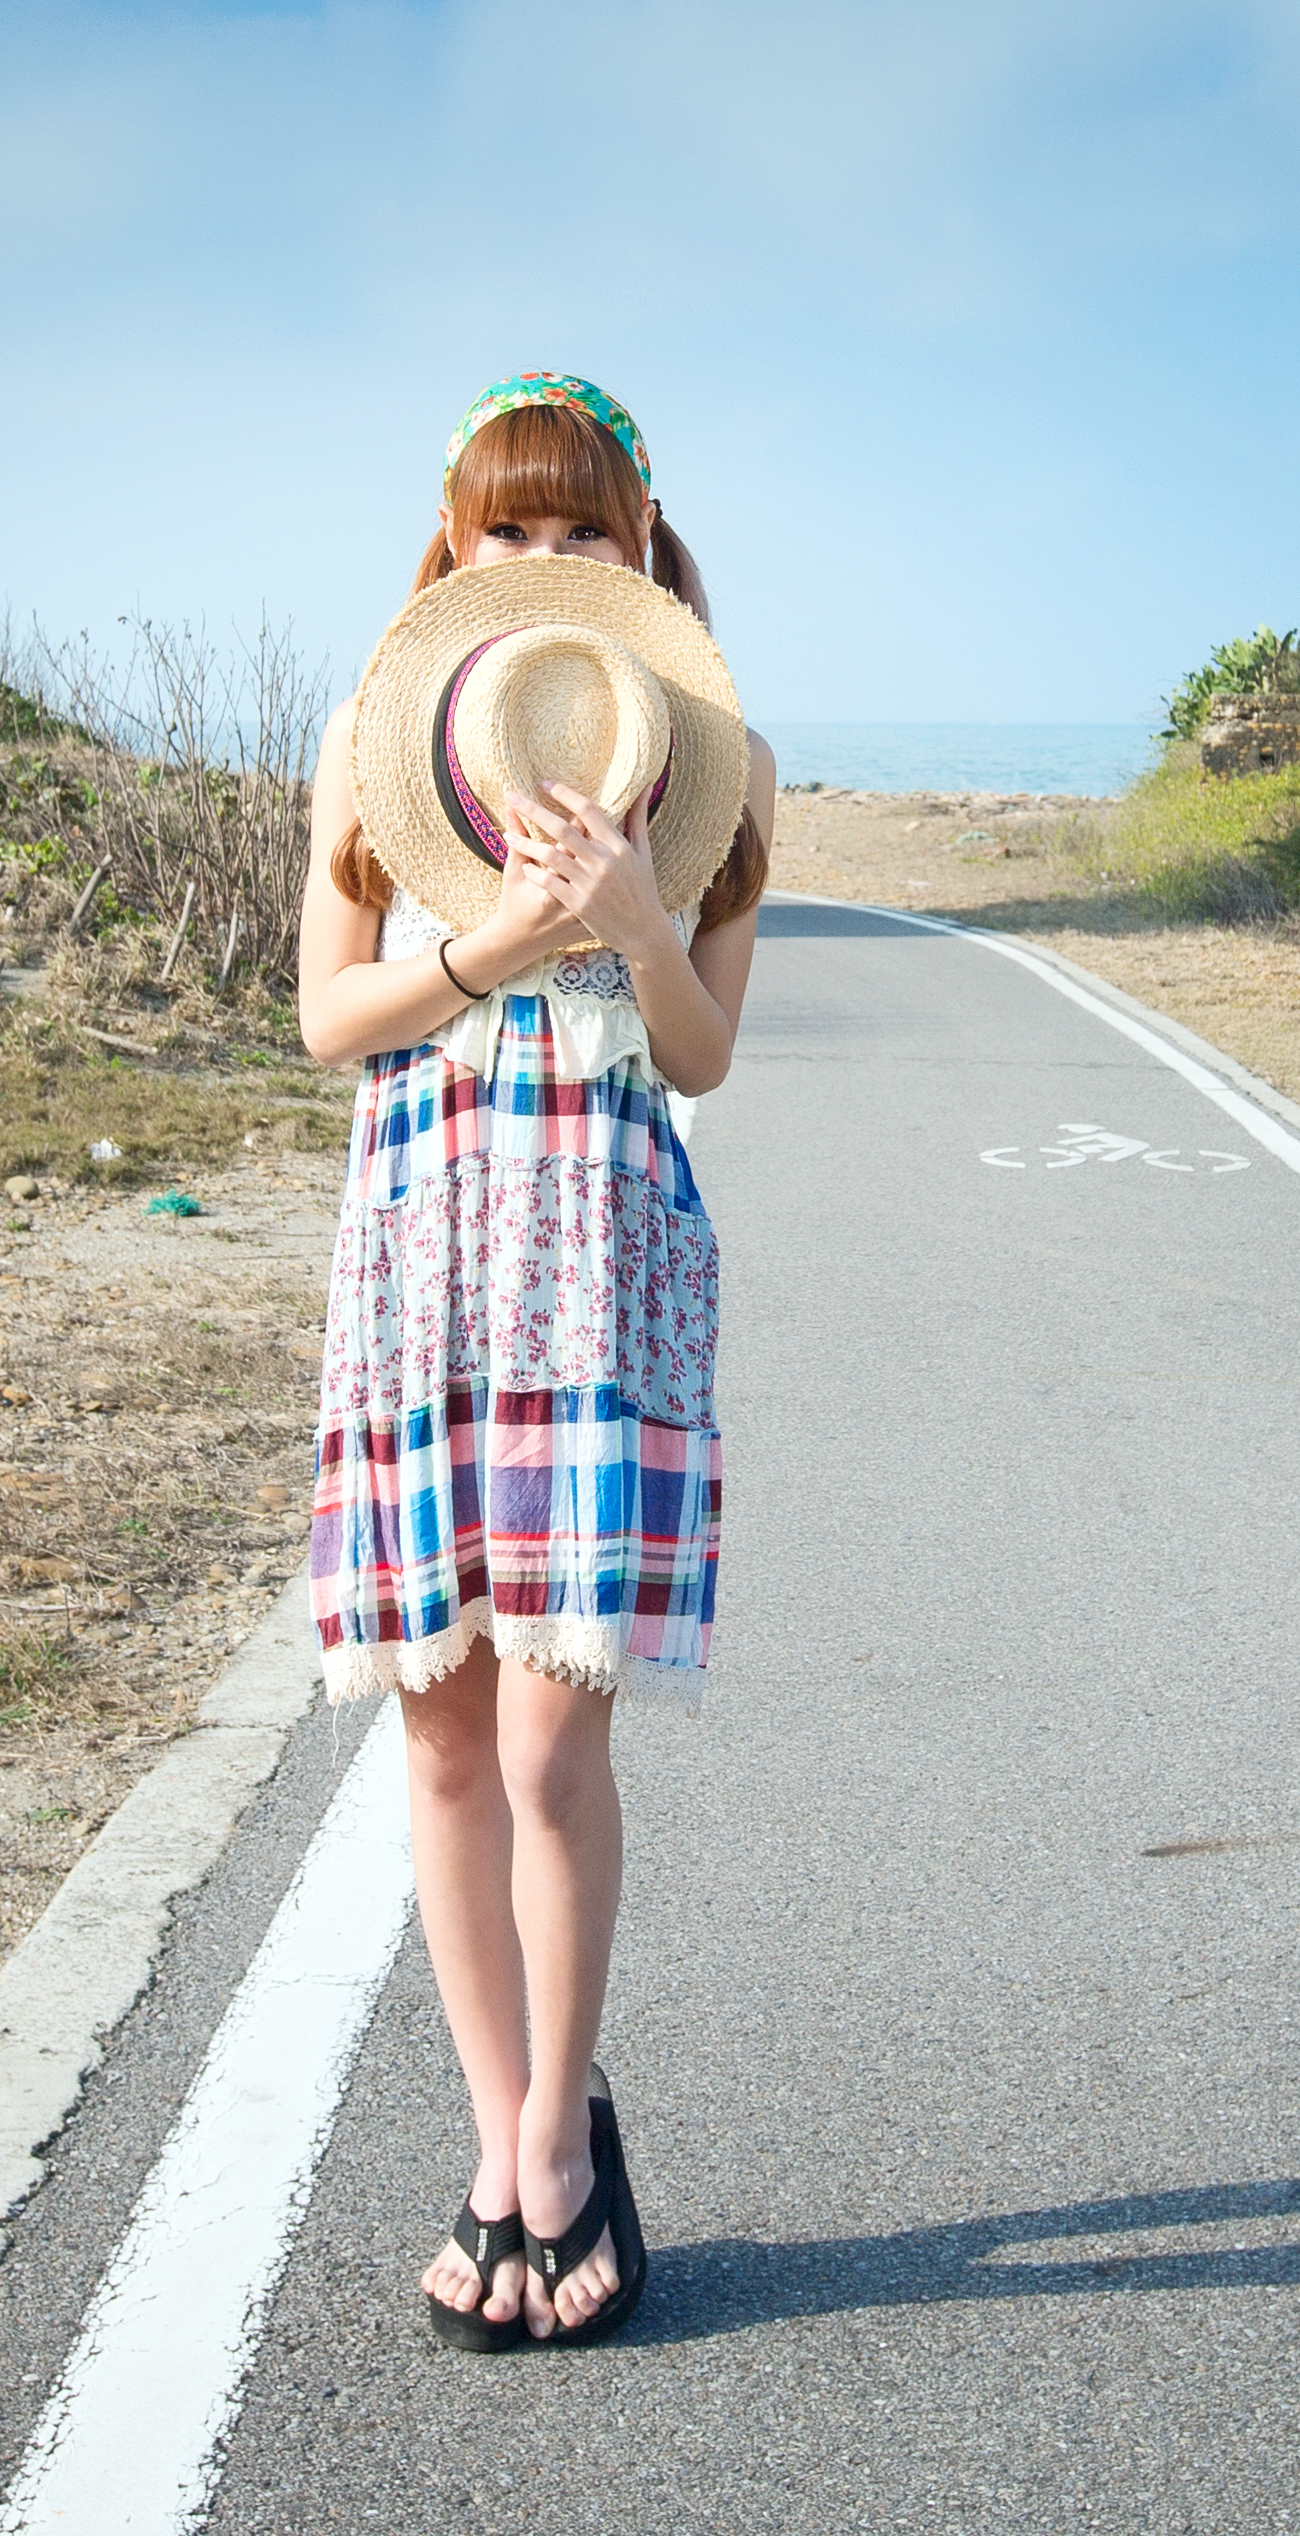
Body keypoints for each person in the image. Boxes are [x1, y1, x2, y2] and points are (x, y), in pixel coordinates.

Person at [295, 371, 773, 2352]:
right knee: (436, 1725)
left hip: (602, 1247)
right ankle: (503, 2137)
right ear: (453, 544)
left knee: (552, 1731)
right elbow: (331, 1021)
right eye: (513, 529)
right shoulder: (372, 740)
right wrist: (495, 937)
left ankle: (562, 2160)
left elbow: (704, 1051)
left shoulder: (711, 757)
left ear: (644, 549)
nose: (548, 559)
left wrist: (636, 915)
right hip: (422, 1247)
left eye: (586, 530)